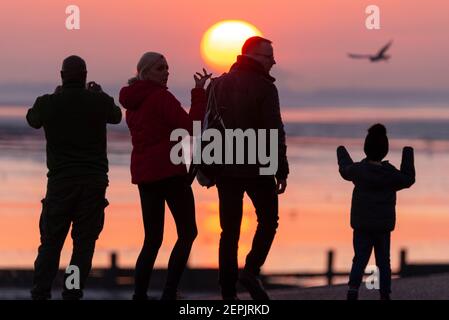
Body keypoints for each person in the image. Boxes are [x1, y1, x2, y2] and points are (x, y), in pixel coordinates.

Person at [27, 55, 122, 300]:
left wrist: (56, 96)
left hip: (60, 184)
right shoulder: (98, 101)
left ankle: (41, 291)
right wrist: (99, 93)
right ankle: (71, 290)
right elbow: (116, 115)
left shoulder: (48, 103)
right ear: (85, 75)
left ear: (61, 75)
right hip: (93, 183)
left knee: (51, 241)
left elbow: (32, 119)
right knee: (83, 243)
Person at [119, 52, 211, 300]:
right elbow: (192, 126)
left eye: (167, 67)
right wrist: (199, 92)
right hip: (169, 174)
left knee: (152, 239)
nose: (166, 72)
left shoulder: (133, 102)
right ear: (145, 72)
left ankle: (139, 295)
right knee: (188, 232)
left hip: (145, 176)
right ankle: (169, 293)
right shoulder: (161, 98)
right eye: (160, 68)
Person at [205, 36, 289, 300]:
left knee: (228, 231)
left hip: (225, 167)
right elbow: (274, 130)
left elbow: (206, 125)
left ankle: (228, 292)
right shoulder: (265, 87)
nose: (273, 62)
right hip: (257, 166)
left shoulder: (218, 84)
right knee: (268, 221)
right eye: (268, 56)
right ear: (252, 55)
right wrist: (281, 168)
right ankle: (251, 271)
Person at [337, 124, 415, 300]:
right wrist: (408, 152)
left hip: (362, 225)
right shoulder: (390, 174)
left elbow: (345, 169)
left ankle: (353, 290)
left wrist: (341, 151)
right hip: (382, 227)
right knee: (383, 262)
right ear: (385, 150)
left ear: (366, 148)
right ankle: (384, 294)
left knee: (359, 259)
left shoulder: (359, 171)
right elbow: (408, 179)